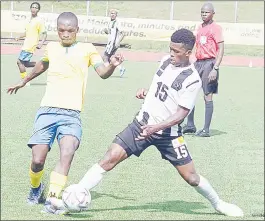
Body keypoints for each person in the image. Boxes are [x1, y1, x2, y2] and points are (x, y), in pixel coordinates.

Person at [50, 28, 243, 217]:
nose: (171, 54)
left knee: (191, 177)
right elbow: (159, 87)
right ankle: (74, 197)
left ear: (188, 53)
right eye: (170, 49)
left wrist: (156, 127)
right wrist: (146, 93)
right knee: (110, 157)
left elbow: (181, 114)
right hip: (141, 124)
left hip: (168, 134)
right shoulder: (165, 61)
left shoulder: (192, 80)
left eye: (176, 51)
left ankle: (219, 204)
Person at [7, 11, 124, 214]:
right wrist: (25, 80)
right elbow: (43, 64)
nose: (66, 34)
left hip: (71, 114)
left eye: (70, 31)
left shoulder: (88, 49)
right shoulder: (52, 47)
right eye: (62, 31)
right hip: (47, 111)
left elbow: (102, 73)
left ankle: (52, 199)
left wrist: (112, 66)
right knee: (37, 159)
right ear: (57, 31)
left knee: (67, 152)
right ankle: (36, 188)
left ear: (77, 30)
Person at [183, 2, 224, 137]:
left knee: (207, 96)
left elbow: (221, 48)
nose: (204, 14)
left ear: (213, 13)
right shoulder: (200, 27)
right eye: (202, 12)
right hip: (198, 63)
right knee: (190, 91)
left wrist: (215, 68)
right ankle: (190, 125)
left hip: (210, 63)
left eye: (206, 12)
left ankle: (206, 129)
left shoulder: (216, 28)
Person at [15, 2, 47, 86]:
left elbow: (44, 34)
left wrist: (41, 43)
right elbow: (27, 32)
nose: (34, 9)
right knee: (25, 63)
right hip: (26, 44)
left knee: (19, 62)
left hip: (30, 45)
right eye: (32, 7)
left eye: (36, 7)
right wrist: (19, 36)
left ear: (38, 10)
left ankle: (25, 81)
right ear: (30, 8)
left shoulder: (39, 20)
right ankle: (42, 64)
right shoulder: (29, 20)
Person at [103, 9, 126, 77]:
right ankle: (121, 68)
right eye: (111, 13)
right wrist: (106, 31)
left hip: (112, 44)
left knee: (105, 57)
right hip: (110, 43)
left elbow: (123, 33)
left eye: (114, 13)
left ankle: (107, 71)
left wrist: (118, 42)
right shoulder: (110, 22)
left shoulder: (117, 23)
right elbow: (111, 33)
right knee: (109, 58)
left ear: (116, 15)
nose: (112, 14)